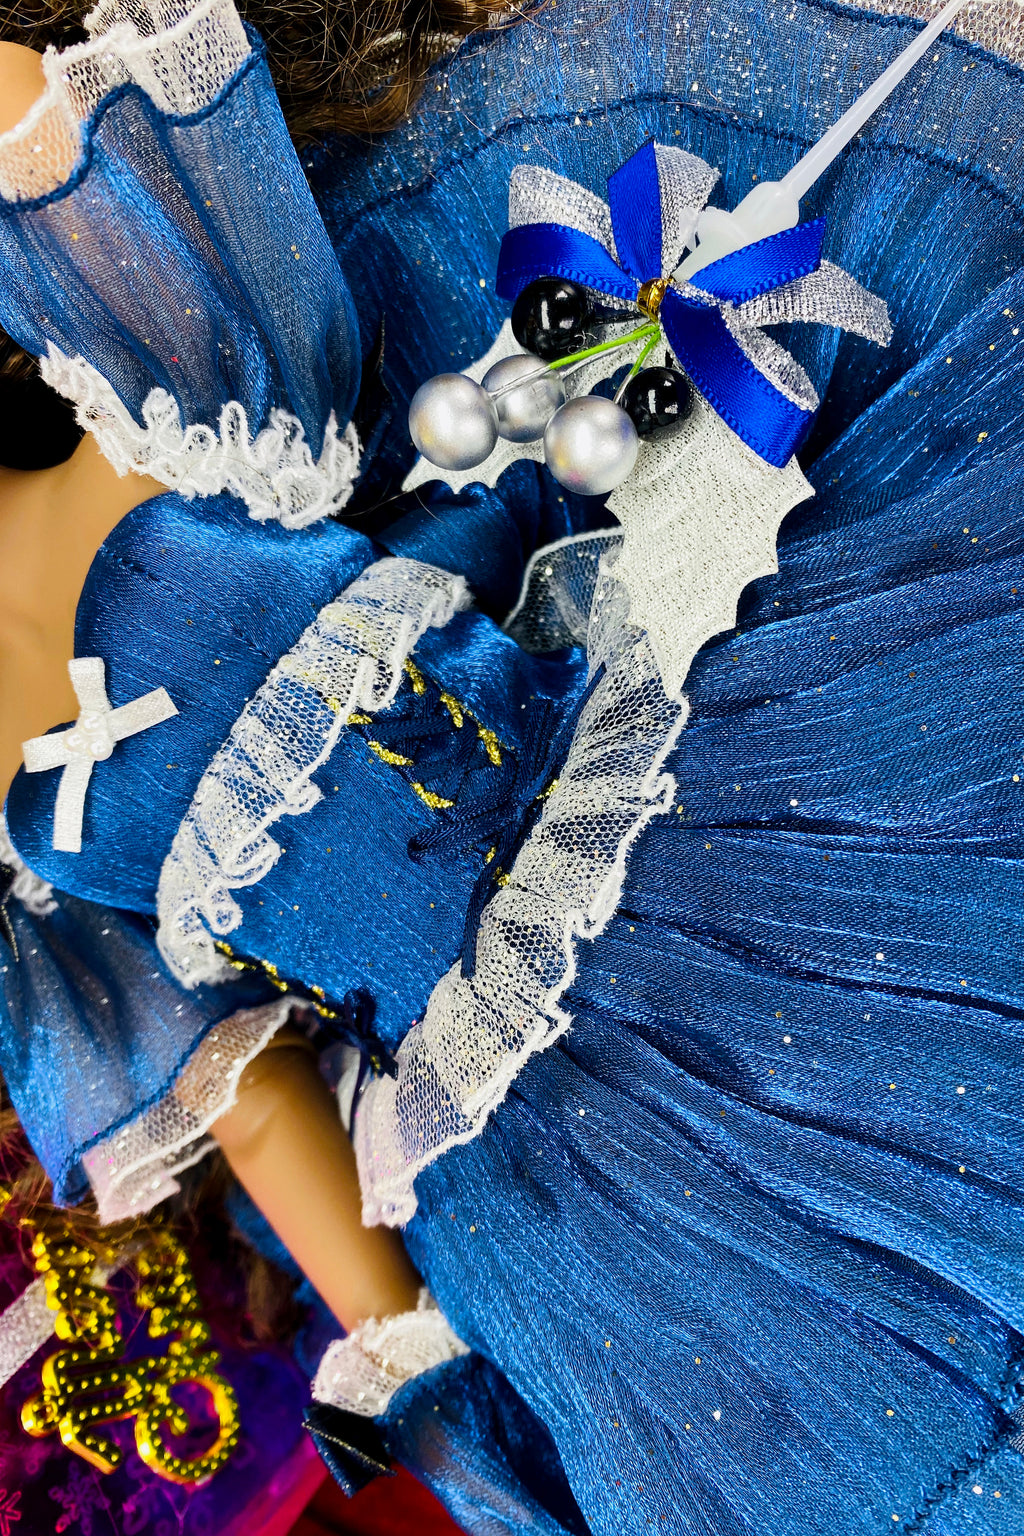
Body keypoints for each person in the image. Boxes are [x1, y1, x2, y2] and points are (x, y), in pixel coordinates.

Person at [1, 0, 1024, 1530]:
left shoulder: (156, 396)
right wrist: (415, 1381)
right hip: (528, 1175)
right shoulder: (23, 888)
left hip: (678, 829)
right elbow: (244, 1087)